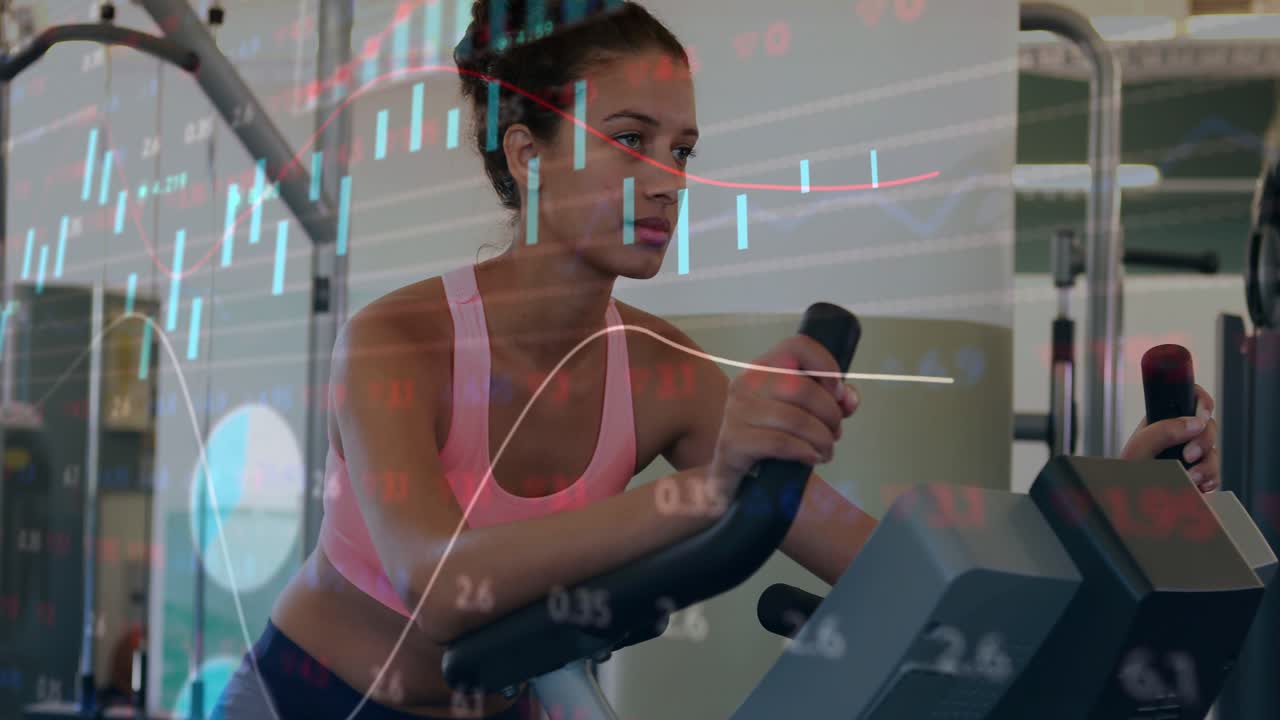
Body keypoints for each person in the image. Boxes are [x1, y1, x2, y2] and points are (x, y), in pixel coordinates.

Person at [212, 1, 1222, 717]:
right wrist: (704, 497)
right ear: (527, 155)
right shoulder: (399, 341)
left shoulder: (664, 371)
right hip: (312, 699)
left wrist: (1107, 512)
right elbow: (436, 584)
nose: (664, 181)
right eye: (627, 139)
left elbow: (896, 571)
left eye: (682, 151)